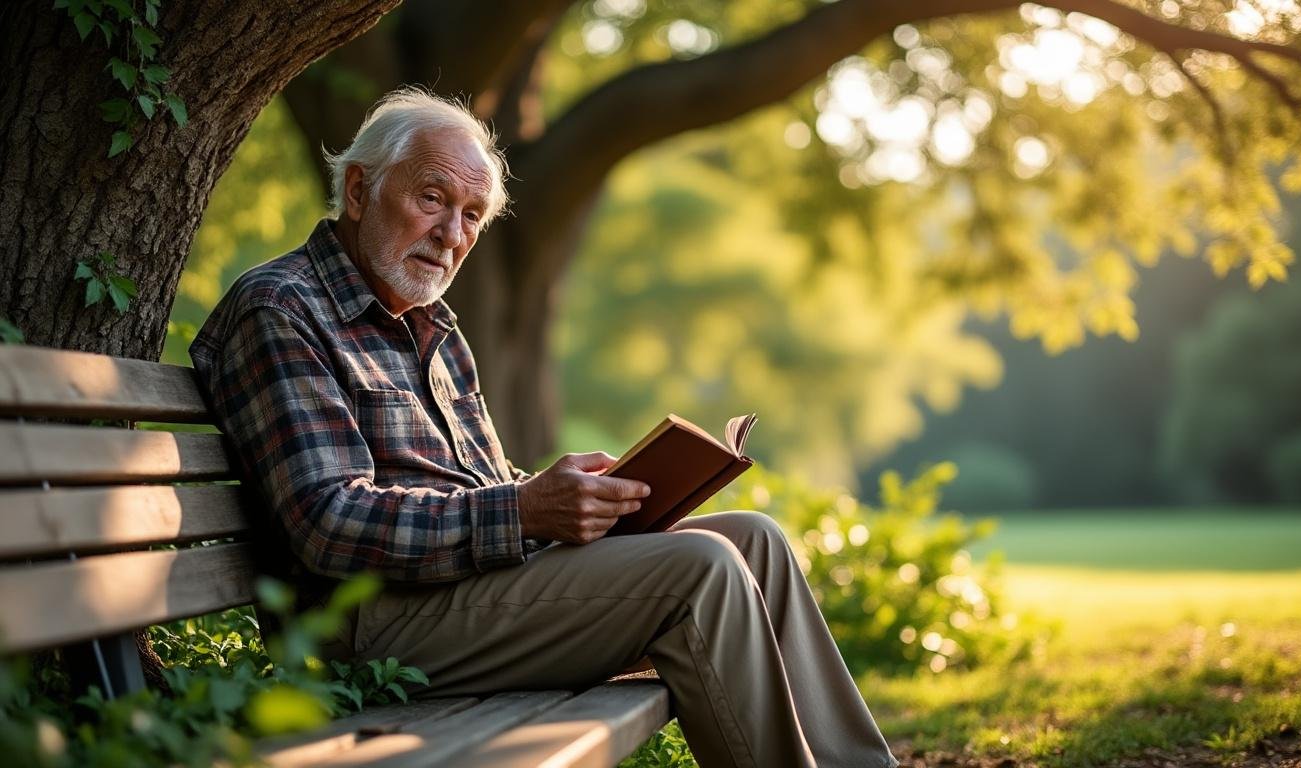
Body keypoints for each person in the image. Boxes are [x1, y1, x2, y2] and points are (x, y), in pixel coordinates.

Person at [190, 87, 897, 768]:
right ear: (357, 191)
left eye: (471, 214)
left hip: (464, 594)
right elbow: (327, 521)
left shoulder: (434, 326)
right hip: (370, 624)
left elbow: (481, 488)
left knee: (755, 541)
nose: (451, 234)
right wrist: (526, 509)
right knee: (701, 569)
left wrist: (579, 496)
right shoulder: (283, 309)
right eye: (432, 198)